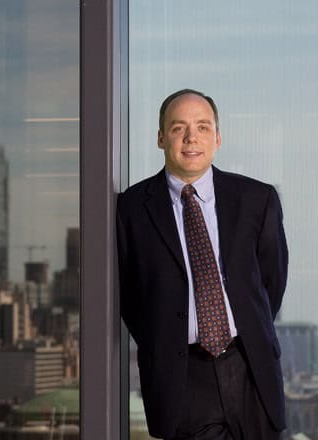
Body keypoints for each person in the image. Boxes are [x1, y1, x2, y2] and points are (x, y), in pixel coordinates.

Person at [117, 89, 288, 439]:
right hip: (182, 378)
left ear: (218, 138)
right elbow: (129, 297)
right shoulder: (131, 209)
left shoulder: (257, 199)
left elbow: (271, 282)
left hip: (251, 367)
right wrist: (166, 339)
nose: (191, 138)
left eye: (203, 127)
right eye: (178, 128)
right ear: (161, 138)